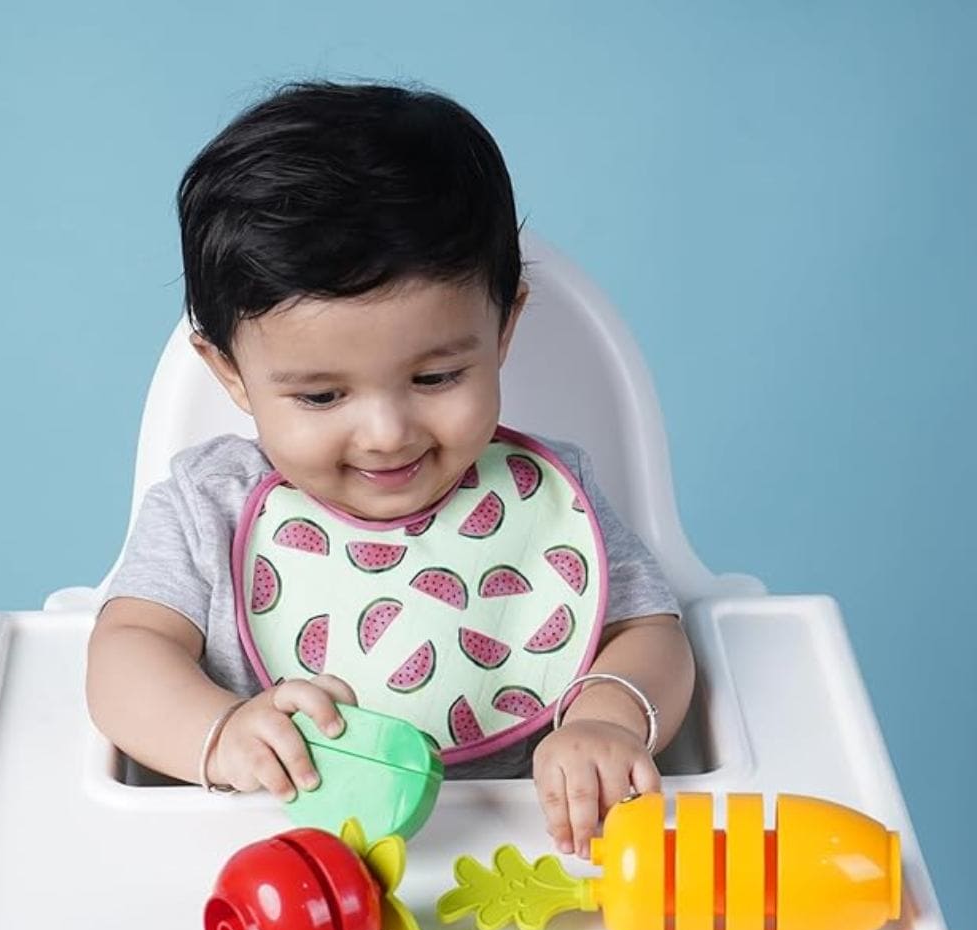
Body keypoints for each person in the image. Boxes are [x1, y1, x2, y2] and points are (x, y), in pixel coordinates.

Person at [86, 81, 695, 861]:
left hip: (517, 867)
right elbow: (122, 654)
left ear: (504, 328)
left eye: (436, 378)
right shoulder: (212, 508)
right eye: (321, 394)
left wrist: (607, 717)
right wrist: (222, 732)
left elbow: (651, 633)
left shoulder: (544, 501)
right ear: (230, 372)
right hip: (270, 873)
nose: (386, 432)